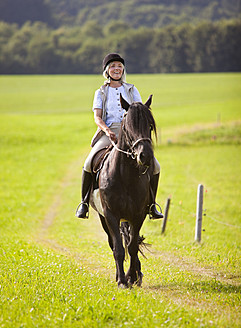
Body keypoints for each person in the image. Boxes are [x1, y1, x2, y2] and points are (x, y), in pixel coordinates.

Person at [75, 53, 163, 219]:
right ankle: (84, 203)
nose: (117, 69)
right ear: (107, 71)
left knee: (156, 166)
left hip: (130, 132)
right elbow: (97, 117)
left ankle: (152, 205)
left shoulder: (131, 89)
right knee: (88, 163)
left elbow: (138, 110)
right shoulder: (100, 92)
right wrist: (107, 131)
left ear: (123, 70)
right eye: (113, 66)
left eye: (119, 66)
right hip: (109, 132)